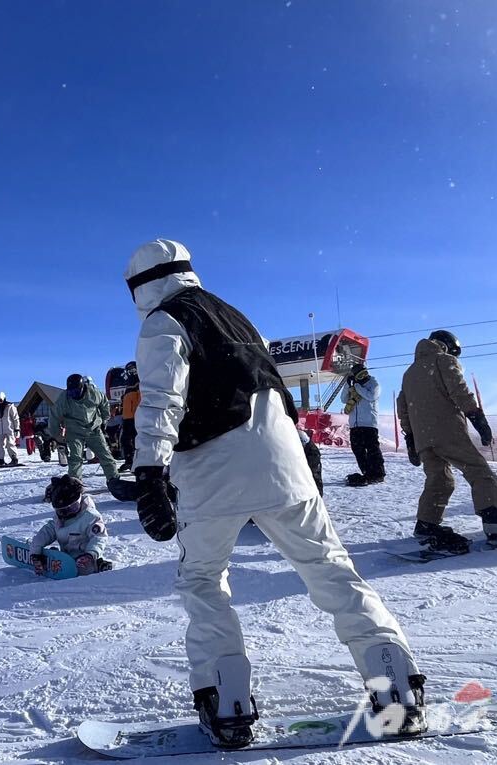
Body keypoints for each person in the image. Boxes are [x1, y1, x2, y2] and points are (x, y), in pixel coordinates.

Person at [125, 239, 425, 748]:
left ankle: (228, 706)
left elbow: (160, 401)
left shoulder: (163, 322)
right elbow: (277, 393)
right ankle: (395, 689)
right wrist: (305, 454)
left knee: (202, 580)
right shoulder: (241, 319)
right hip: (285, 466)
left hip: (212, 472)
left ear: (141, 285)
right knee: (332, 571)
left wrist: (150, 474)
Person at [396, 330, 497, 552]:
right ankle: (495, 520)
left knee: (439, 480)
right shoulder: (443, 360)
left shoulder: (409, 373)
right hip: (448, 431)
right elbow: (459, 390)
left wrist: (411, 439)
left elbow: (403, 408)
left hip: (424, 438)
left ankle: (427, 523)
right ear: (446, 346)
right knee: (478, 471)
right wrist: (477, 417)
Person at [49, 373, 132, 500]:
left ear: (83, 387)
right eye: (71, 393)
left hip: (94, 430)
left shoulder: (94, 393)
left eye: (76, 392)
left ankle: (114, 480)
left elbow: (104, 405)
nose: (74, 395)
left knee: (106, 455)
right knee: (75, 458)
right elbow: (54, 416)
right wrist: (56, 434)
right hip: (74, 431)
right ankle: (74, 483)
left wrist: (104, 420)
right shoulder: (64, 399)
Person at [30, 474, 113, 576]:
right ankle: (51, 558)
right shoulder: (59, 520)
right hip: (66, 556)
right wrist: (35, 550)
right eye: (62, 511)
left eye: (72, 508)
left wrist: (91, 554)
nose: (67, 514)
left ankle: (99, 564)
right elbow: (46, 533)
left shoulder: (90, 517)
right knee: (56, 555)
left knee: (86, 569)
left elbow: (99, 538)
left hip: (84, 556)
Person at [339, 363, 386, 486]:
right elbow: (343, 399)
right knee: (358, 450)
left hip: (369, 423)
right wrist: (347, 385)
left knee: (372, 449)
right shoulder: (353, 385)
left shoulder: (373, 383)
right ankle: (367, 472)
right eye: (359, 375)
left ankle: (379, 473)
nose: (362, 376)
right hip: (355, 424)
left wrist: (358, 386)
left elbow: (371, 396)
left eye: (364, 373)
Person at [119, 361, 141, 472]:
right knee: (125, 440)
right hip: (127, 416)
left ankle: (140, 462)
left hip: (137, 415)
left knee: (137, 440)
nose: (131, 372)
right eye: (129, 370)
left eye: (132, 369)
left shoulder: (140, 379)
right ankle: (129, 461)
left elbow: (141, 397)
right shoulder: (129, 382)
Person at [0, 392, 21, 466]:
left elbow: (15, 418)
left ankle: (14, 458)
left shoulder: (10, 407)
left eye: (0, 400)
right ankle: (0, 459)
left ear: (4, 398)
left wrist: (17, 428)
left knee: (10, 443)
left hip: (9, 429)